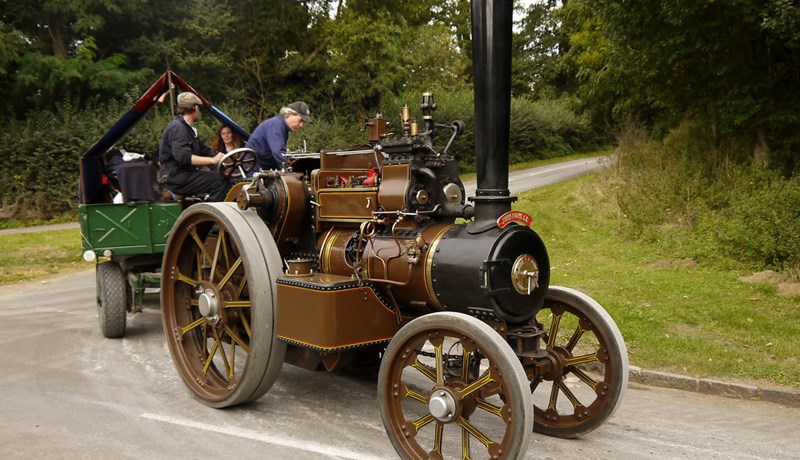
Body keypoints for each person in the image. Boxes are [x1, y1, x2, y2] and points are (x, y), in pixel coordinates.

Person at [158, 92, 231, 202]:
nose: (199, 112)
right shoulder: (178, 127)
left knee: (223, 176)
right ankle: (208, 215)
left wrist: (223, 163)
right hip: (176, 177)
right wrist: (212, 160)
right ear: (195, 108)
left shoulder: (188, 129)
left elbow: (204, 150)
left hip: (184, 175)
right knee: (221, 180)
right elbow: (183, 156)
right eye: (199, 109)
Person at [245, 101, 313, 171]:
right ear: (290, 114)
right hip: (251, 170)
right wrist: (292, 169)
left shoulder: (281, 126)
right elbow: (279, 153)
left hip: (259, 168)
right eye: (300, 120)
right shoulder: (277, 125)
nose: (301, 125)